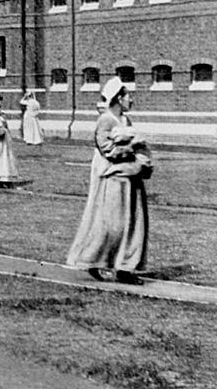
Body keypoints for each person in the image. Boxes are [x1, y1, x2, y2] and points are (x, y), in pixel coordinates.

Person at [66, 77, 151, 286]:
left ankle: (125, 268)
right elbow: (108, 150)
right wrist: (131, 147)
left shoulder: (125, 121)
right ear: (118, 98)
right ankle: (94, 259)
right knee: (113, 223)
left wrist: (140, 159)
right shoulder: (105, 120)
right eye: (128, 96)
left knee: (133, 222)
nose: (131, 100)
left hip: (130, 175)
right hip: (112, 177)